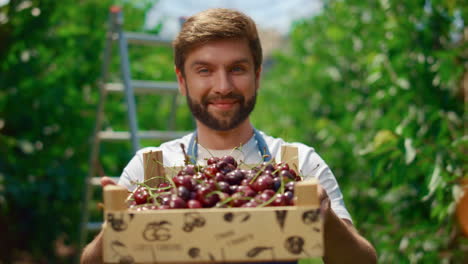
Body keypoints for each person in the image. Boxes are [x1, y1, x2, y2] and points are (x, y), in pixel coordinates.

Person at [81, 8, 377, 264]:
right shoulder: (150, 169)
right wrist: (117, 226)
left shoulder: (297, 165)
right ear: (182, 81)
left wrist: (327, 220)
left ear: (257, 76)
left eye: (237, 68)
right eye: (205, 70)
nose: (223, 86)